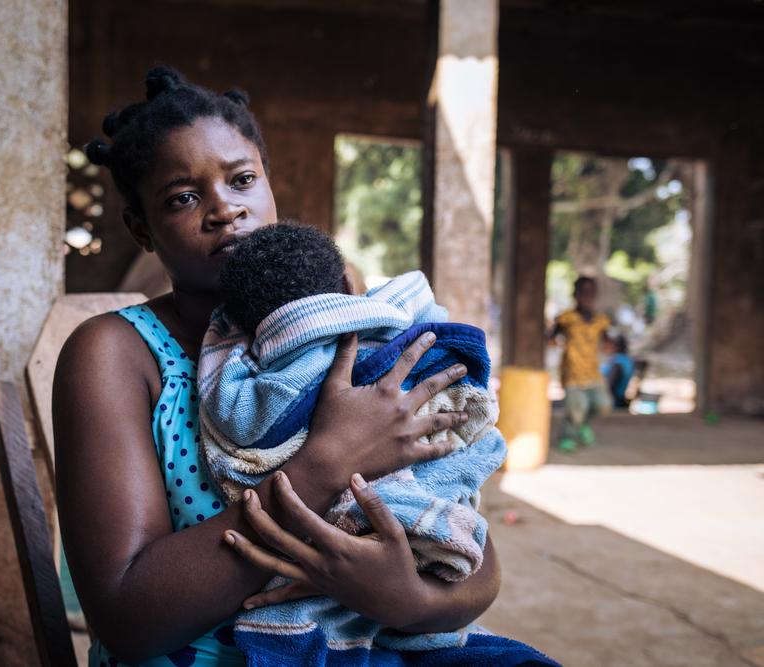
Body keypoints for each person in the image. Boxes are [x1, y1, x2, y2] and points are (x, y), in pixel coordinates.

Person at [54, 66, 554, 667]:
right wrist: (326, 463)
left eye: (242, 180)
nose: (224, 210)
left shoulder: (348, 326)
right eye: (183, 197)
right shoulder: (116, 353)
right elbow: (127, 617)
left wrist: (406, 599)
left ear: (269, 189)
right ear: (142, 228)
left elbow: (473, 560)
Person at [198, 223, 507, 659]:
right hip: (407, 539)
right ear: (346, 283)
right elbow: (416, 299)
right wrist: (332, 456)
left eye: (243, 179)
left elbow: (243, 418)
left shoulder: (250, 373)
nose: (224, 210)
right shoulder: (385, 316)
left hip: (349, 584)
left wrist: (219, 338)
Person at [550, 276, 612, 452]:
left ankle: (583, 425)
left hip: (593, 372)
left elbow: (608, 342)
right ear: (575, 294)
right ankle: (567, 437)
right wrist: (553, 339)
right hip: (572, 373)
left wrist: (612, 346)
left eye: (591, 292)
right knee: (577, 409)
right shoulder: (567, 318)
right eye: (583, 292)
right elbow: (552, 337)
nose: (587, 296)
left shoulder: (601, 321)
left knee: (603, 405)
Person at [602, 335, 635, 410]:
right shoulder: (628, 360)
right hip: (620, 398)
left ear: (615, 346)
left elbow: (611, 385)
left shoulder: (617, 362)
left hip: (614, 402)